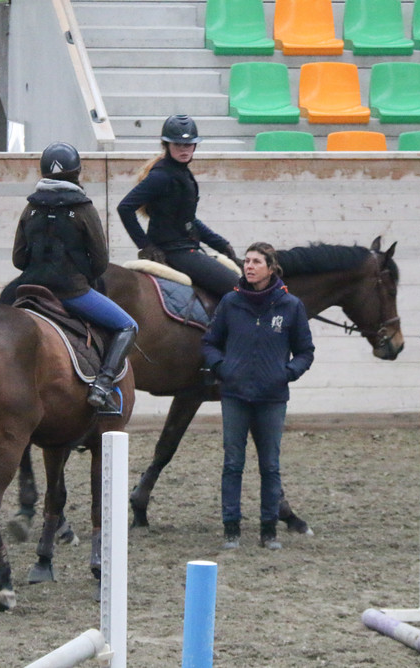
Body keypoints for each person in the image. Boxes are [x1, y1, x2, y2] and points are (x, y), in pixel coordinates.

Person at [201, 242, 315, 550]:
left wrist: (286, 373)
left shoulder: (290, 306)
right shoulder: (230, 303)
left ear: (271, 268)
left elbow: (305, 351)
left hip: (272, 399)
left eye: (256, 262)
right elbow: (210, 342)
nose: (249, 266)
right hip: (235, 395)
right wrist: (223, 368)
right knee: (232, 463)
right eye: (247, 261)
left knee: (270, 466)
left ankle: (268, 531)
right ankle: (231, 529)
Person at [12, 141, 137, 413]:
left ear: (44, 172)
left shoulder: (30, 208)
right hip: (71, 293)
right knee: (127, 326)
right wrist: (81, 276)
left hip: (29, 290)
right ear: (77, 172)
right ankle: (103, 385)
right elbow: (100, 262)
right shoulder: (82, 208)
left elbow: (18, 260)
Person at [117, 114, 241, 297]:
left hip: (186, 247)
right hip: (174, 251)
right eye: (177, 145)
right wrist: (145, 246)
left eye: (188, 145)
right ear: (166, 145)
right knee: (238, 289)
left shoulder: (181, 172)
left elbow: (189, 220)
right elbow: (125, 207)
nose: (184, 149)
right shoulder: (161, 176)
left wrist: (222, 244)